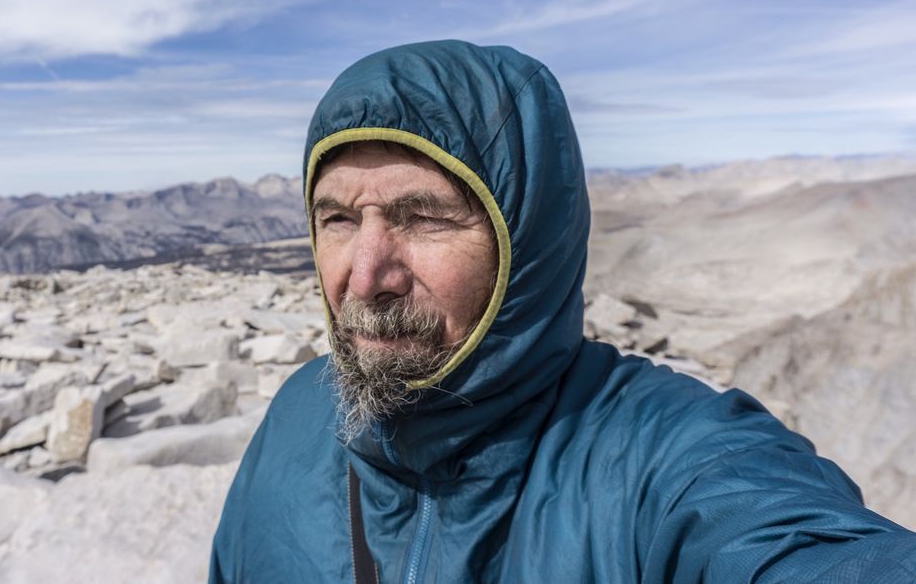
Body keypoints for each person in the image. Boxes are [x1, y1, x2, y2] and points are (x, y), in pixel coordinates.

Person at [209, 40, 916, 582]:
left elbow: (794, 542)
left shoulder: (662, 462)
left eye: (422, 216)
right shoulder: (298, 415)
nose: (364, 277)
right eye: (336, 219)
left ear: (529, 243)